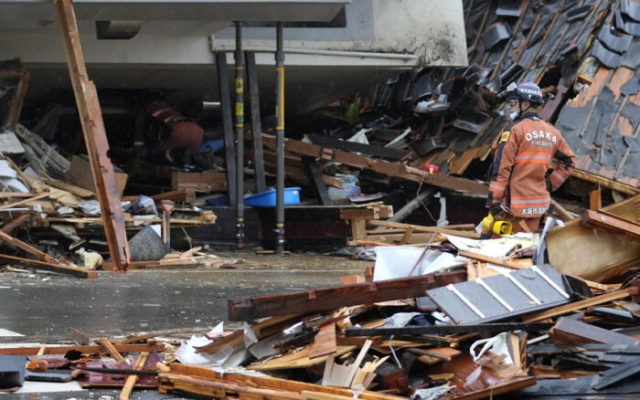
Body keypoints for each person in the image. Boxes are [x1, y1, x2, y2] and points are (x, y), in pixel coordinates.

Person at [484, 81, 576, 236]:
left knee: (488, 248)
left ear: (525, 104)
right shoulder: (552, 133)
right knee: (524, 252)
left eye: (513, 103)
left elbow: (501, 169)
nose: (510, 107)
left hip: (511, 209)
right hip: (538, 208)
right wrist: (549, 184)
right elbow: (569, 162)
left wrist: (494, 202)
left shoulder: (515, 130)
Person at [133, 92, 211, 169]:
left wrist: (139, 151)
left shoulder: (146, 110)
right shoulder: (169, 108)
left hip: (179, 130)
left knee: (160, 154)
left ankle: (180, 155)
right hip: (196, 129)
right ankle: (204, 164)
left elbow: (140, 131)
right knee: (193, 155)